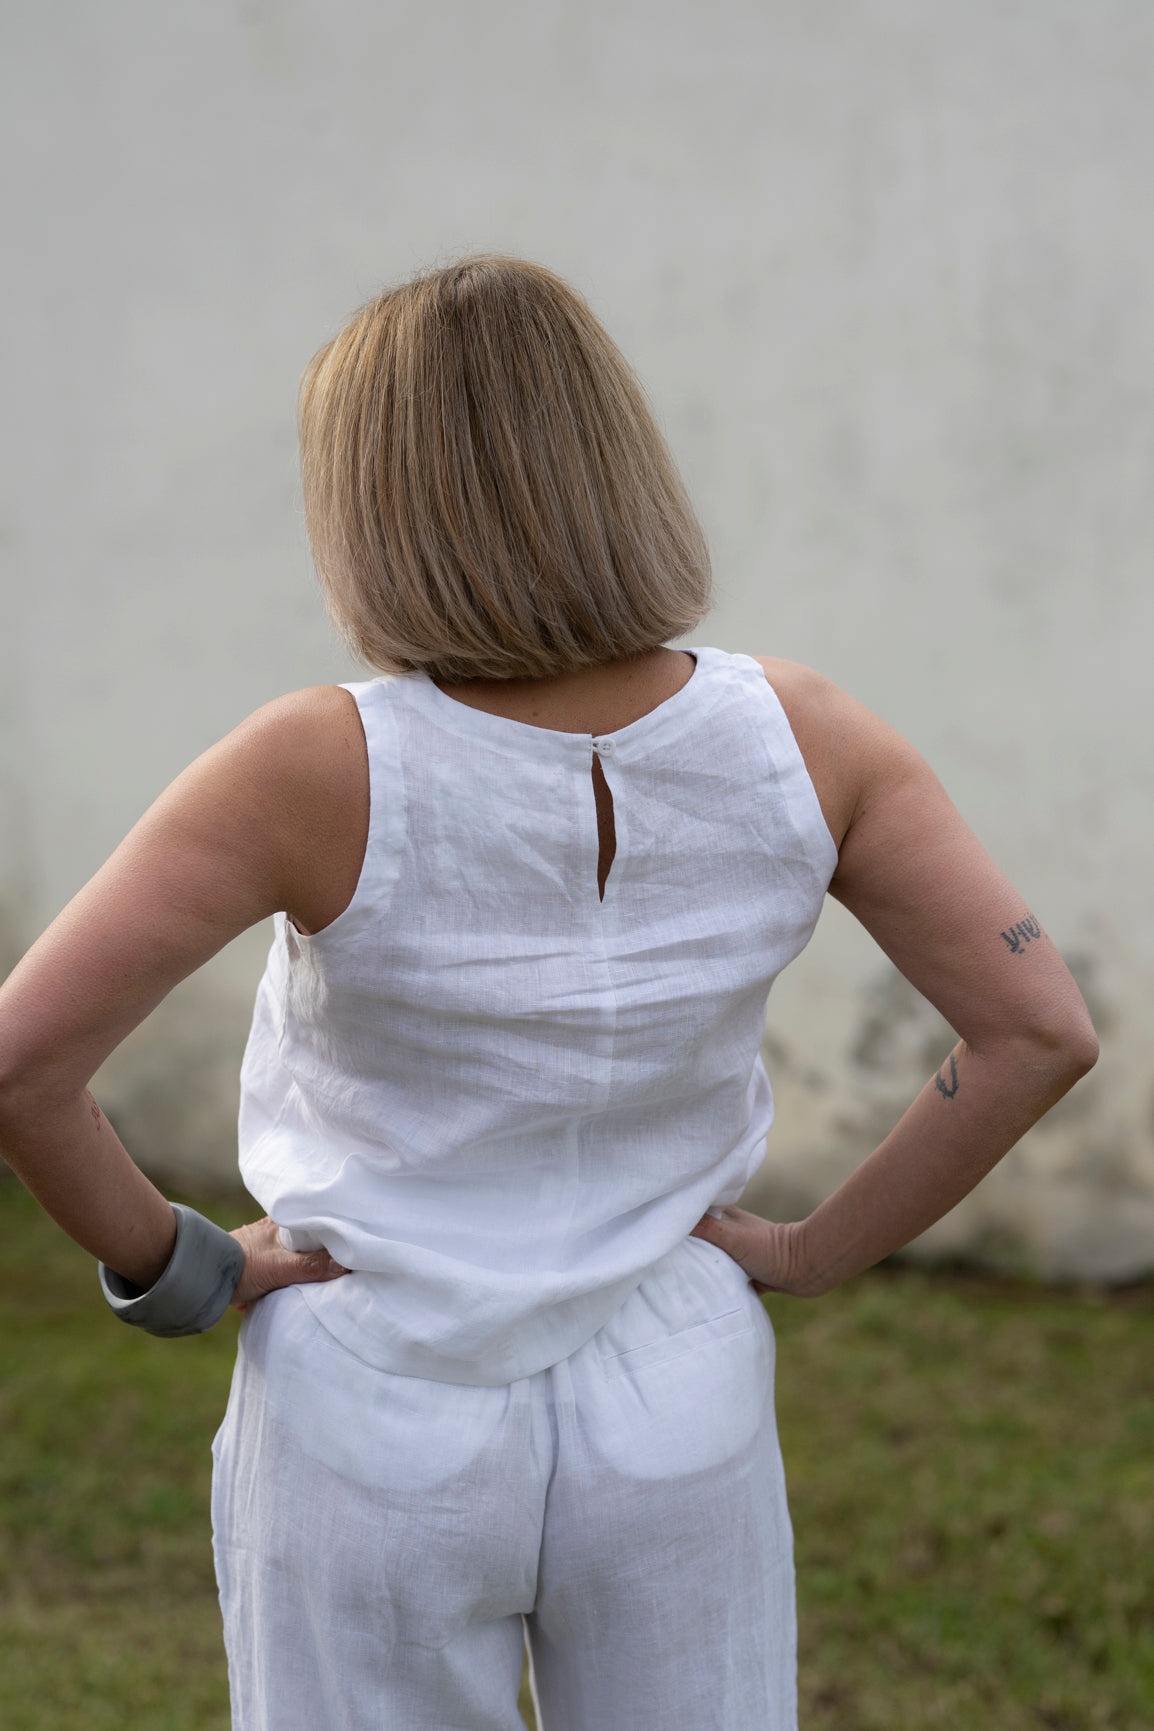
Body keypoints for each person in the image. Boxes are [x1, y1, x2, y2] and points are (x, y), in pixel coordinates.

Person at [0, 254, 1097, 1731]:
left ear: (372, 508)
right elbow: (1035, 1029)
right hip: (677, 1376)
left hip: (372, 1383)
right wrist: (812, 1253)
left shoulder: (312, 766)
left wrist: (181, 1268)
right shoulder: (805, 735)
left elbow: (21, 1067)